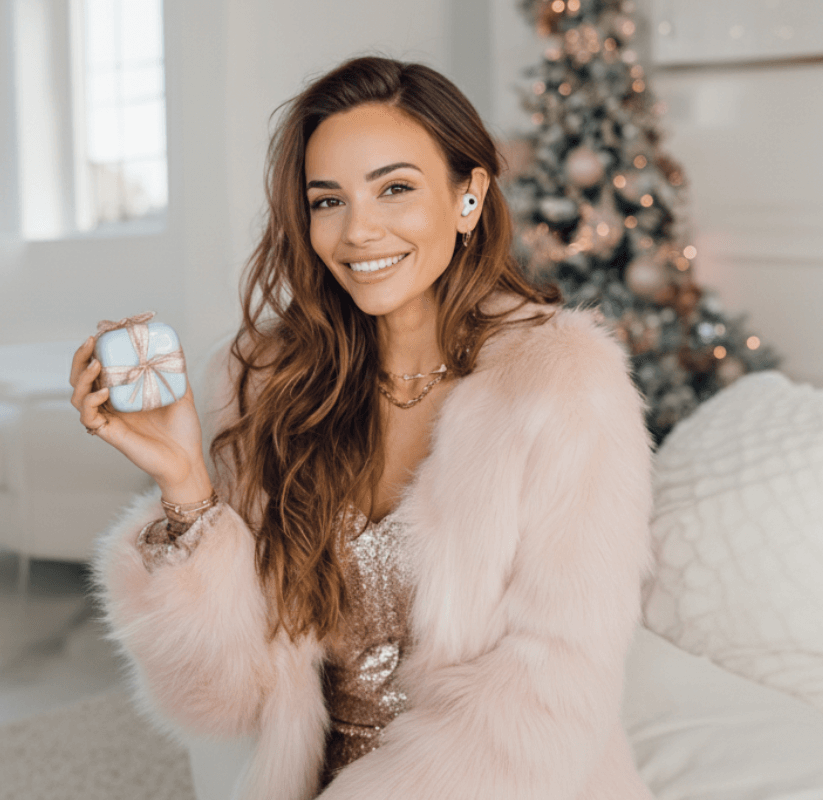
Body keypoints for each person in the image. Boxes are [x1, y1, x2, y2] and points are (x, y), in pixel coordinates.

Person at [71, 56, 655, 800]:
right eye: (328, 200)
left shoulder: (565, 385)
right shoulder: (272, 382)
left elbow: (552, 694)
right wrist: (186, 485)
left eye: (396, 188)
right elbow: (221, 700)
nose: (358, 231)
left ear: (468, 196)